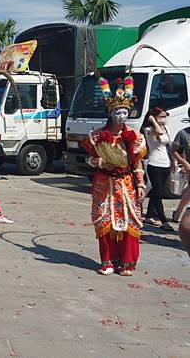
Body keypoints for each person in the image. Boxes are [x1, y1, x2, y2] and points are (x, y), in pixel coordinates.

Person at [82, 76, 146, 277]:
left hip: (126, 185)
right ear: (111, 113)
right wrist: (102, 162)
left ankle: (127, 262)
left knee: (129, 222)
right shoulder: (98, 136)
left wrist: (141, 184)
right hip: (105, 184)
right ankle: (107, 261)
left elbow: (137, 162)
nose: (122, 115)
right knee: (105, 221)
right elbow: (90, 161)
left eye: (125, 112)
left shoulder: (135, 136)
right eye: (118, 112)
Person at [141, 107, 174, 231]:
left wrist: (173, 161)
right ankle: (164, 220)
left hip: (165, 163)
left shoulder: (166, 128)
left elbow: (168, 145)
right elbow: (159, 133)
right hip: (154, 164)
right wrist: (152, 120)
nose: (164, 119)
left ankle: (149, 215)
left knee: (156, 192)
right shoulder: (148, 129)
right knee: (159, 192)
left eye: (165, 116)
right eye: (161, 116)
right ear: (154, 117)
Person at [171, 111, 190, 223]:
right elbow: (173, 150)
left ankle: (177, 213)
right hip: (189, 167)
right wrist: (183, 162)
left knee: (188, 193)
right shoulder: (183, 134)